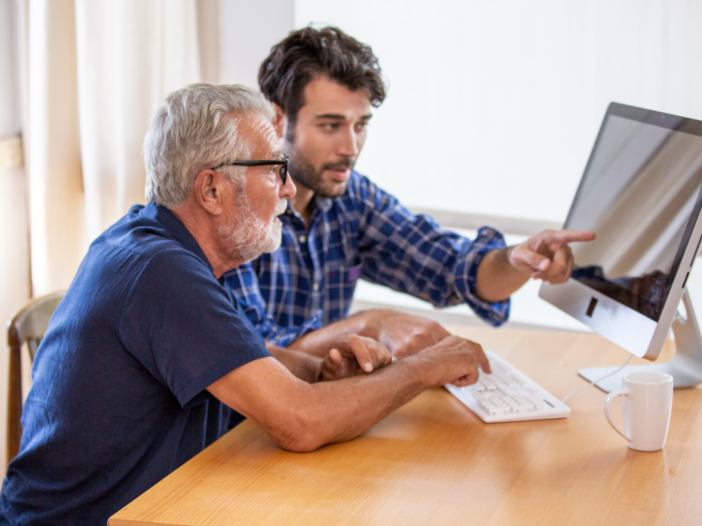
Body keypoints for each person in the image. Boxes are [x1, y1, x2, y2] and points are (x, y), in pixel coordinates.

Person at [0, 84, 492, 525]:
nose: (289, 189)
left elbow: (231, 360)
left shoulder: (154, 246)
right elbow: (301, 423)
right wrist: (424, 367)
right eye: (275, 169)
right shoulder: (162, 273)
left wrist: (318, 368)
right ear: (211, 189)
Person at [224, 27, 594, 357]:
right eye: (331, 125)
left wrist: (516, 259)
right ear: (277, 119)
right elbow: (255, 355)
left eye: (361, 125)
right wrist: (369, 325)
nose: (351, 147)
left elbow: (453, 269)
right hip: (240, 428)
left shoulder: (352, 199)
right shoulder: (234, 212)